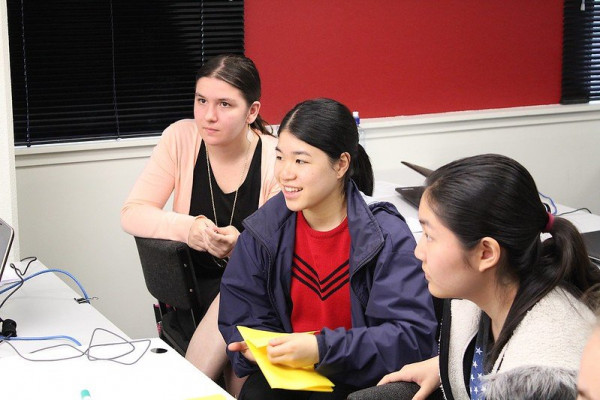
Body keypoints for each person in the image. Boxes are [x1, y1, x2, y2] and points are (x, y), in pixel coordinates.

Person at [218, 98, 438, 400]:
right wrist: (256, 348)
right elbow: (243, 312)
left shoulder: (386, 234)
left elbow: (410, 337)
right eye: (280, 157)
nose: (285, 173)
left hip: (360, 378)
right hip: (291, 375)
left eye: (301, 160)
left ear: (341, 165)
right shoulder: (264, 229)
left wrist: (322, 349)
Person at [369, 154, 600, 400]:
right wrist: (447, 365)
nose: (418, 252)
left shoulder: (544, 377)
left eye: (429, 236)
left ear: (486, 253)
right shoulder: (484, 301)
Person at [120, 54, 279, 396]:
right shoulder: (181, 138)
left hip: (257, 293)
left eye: (224, 104)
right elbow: (132, 212)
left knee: (240, 289)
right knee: (238, 335)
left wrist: (244, 243)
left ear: (252, 112)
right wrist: (187, 228)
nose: (208, 115)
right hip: (191, 288)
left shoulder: (276, 156)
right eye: (201, 100)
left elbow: (280, 244)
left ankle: (185, 391)